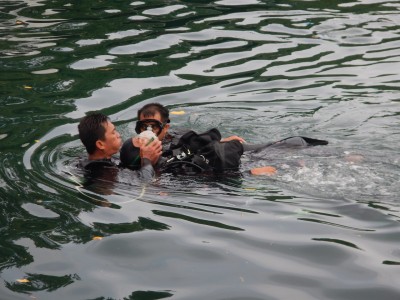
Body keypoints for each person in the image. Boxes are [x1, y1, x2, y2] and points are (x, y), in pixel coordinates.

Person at [120, 103, 328, 175]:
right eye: (142, 127)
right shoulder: (140, 152)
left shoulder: (178, 136)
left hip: (226, 155)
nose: (148, 131)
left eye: (153, 126)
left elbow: (199, 147)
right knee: (283, 157)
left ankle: (330, 152)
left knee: (292, 143)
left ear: (166, 127)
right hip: (227, 165)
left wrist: (221, 141)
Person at [78, 112, 162, 181]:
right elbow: (145, 183)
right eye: (113, 132)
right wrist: (147, 160)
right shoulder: (105, 175)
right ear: (100, 144)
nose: (119, 135)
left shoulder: (89, 161)